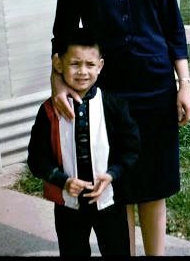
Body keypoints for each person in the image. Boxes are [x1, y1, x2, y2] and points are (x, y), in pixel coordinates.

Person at [50, 0, 190, 256]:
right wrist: (58, 84)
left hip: (155, 87)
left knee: (155, 185)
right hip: (108, 96)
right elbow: (62, 32)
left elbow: (173, 25)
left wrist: (185, 85)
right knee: (119, 185)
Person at [27, 28, 140, 257]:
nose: (82, 71)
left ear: (100, 66)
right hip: (69, 206)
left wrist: (112, 174)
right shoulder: (49, 111)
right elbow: (36, 159)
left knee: (117, 250)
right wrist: (63, 180)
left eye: (90, 64)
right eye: (75, 64)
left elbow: (131, 149)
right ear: (58, 65)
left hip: (109, 200)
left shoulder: (114, 106)